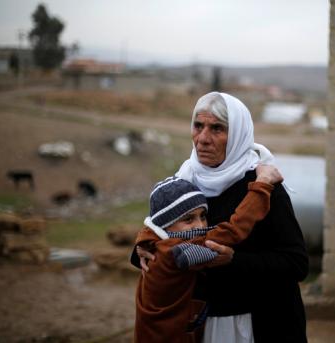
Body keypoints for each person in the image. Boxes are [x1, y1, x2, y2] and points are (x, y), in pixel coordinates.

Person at [132, 92, 309, 343]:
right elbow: (160, 231)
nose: (203, 139)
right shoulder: (185, 181)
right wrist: (143, 247)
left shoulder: (263, 187)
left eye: (217, 128)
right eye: (198, 126)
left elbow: (296, 263)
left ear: (238, 135)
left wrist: (234, 261)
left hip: (260, 323)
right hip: (202, 323)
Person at [133, 165, 282, 343]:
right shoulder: (178, 252)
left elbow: (154, 226)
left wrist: (144, 238)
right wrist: (262, 186)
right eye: (188, 219)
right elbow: (232, 231)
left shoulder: (157, 243)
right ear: (165, 226)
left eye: (203, 216)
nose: (200, 226)